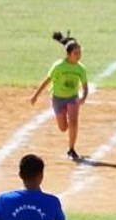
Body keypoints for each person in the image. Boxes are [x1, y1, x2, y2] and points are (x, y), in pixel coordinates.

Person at [30, 31, 89, 161]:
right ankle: (68, 126)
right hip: (58, 98)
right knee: (63, 128)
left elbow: (85, 86)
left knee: (74, 122)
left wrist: (83, 97)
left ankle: (71, 149)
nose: (78, 56)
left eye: (79, 53)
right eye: (75, 53)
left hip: (72, 98)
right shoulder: (58, 66)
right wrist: (35, 95)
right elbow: (47, 80)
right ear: (68, 54)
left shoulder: (81, 68)